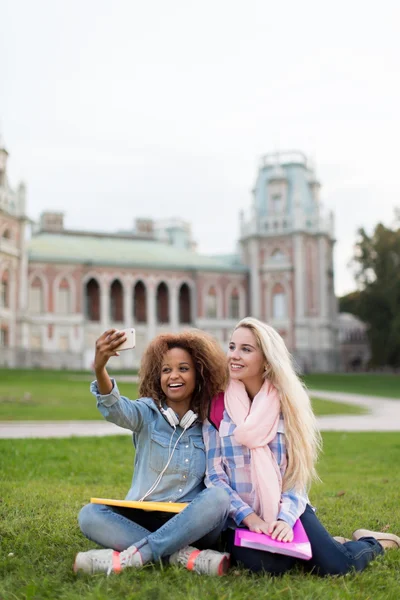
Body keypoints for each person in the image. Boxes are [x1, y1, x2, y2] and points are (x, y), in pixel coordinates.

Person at [204, 317, 399, 576]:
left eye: (246, 349)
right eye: (232, 347)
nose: (234, 356)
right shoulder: (217, 406)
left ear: (267, 359)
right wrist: (250, 517)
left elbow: (297, 472)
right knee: (269, 568)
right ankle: (324, 544)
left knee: (338, 567)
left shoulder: (287, 405)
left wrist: (285, 519)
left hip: (287, 507)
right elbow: (215, 476)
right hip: (241, 517)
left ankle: (370, 542)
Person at [74, 328, 230, 576]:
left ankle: (138, 555)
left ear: (199, 374)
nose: (173, 376)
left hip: (191, 524)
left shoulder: (210, 423)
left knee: (219, 498)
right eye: (166, 370)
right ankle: (182, 556)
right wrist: (100, 368)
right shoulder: (147, 412)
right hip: (143, 517)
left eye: (183, 368)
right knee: (89, 515)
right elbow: (115, 409)